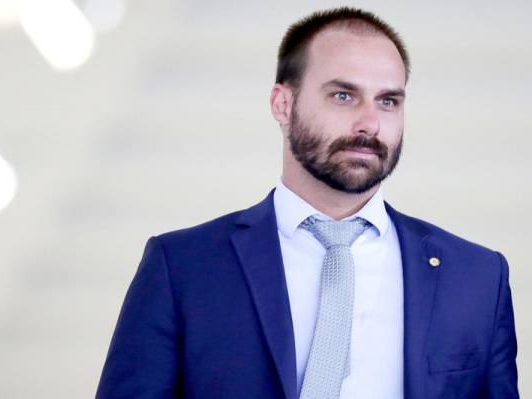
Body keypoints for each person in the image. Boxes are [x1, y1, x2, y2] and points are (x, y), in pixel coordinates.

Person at [96, 7, 519, 399]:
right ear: (283, 103)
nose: (369, 124)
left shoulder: (478, 279)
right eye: (343, 95)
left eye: (388, 101)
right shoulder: (183, 267)